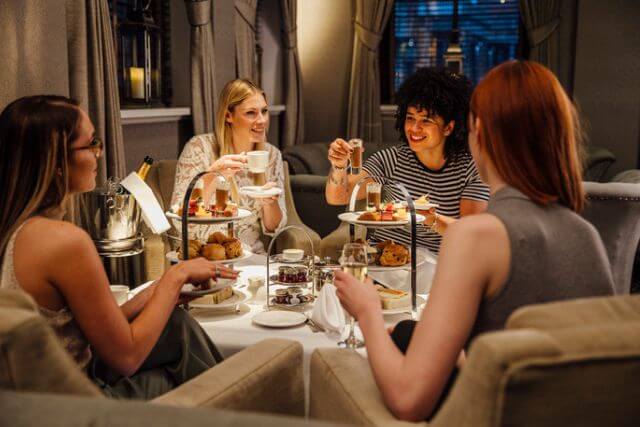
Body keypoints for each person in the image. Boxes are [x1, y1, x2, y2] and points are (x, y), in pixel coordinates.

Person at [333, 61, 615, 421]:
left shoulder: (476, 236)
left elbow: (408, 399)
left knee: (338, 364)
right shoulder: (586, 235)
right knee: (406, 331)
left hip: (496, 415)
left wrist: (368, 309)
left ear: (477, 131)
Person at [0, 95, 237, 399]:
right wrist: (175, 277)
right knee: (183, 374)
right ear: (57, 163)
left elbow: (86, 329)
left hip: (39, 395)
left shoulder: (19, 231)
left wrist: (159, 293)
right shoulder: (63, 242)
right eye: (91, 144)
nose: (99, 153)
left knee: (176, 325)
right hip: (76, 404)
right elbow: (127, 356)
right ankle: (241, 406)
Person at [325, 68, 490, 254]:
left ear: (448, 128)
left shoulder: (471, 168)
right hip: (384, 262)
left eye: (426, 121)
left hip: (438, 265)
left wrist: (428, 218)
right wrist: (339, 166)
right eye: (410, 118)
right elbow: (337, 197)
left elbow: (471, 233)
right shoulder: (391, 159)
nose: (414, 128)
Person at [171, 79, 287, 253]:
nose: (262, 120)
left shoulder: (271, 155)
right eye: (251, 113)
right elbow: (180, 220)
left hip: (251, 256)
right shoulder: (198, 148)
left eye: (264, 111)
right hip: (206, 255)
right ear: (228, 115)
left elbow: (272, 227)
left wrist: (269, 203)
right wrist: (212, 175)